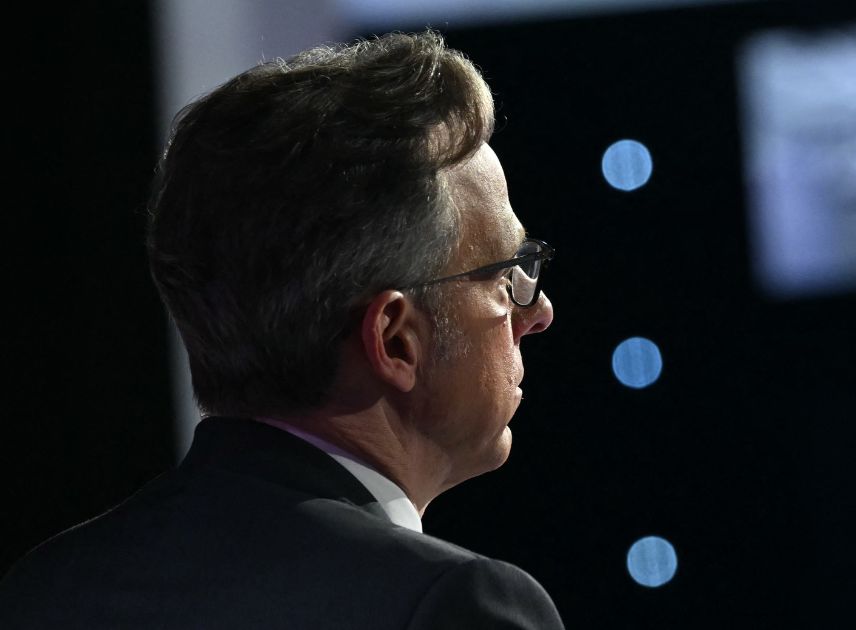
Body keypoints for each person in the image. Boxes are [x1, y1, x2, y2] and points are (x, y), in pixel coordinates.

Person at [0, 30, 564, 629]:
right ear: (396, 339)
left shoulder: (44, 588)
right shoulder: (450, 605)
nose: (539, 312)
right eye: (507, 275)